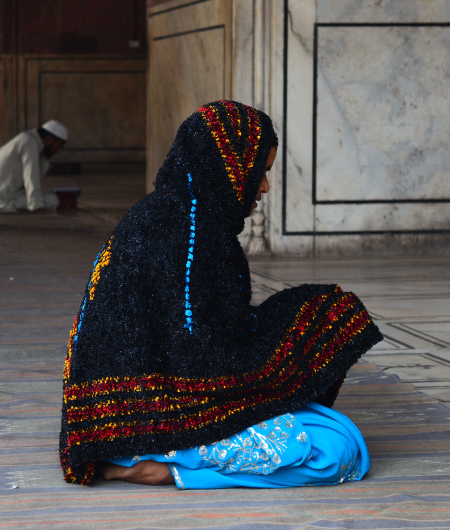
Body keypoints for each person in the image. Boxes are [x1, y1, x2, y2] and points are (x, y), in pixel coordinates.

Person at [59, 100, 383, 489]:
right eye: (260, 171)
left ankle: (154, 460)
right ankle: (163, 468)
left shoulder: (159, 213)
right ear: (229, 167)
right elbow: (201, 358)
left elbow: (195, 334)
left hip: (106, 421)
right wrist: (292, 349)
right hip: (152, 422)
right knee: (338, 449)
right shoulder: (192, 232)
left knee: (326, 360)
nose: (263, 186)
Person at [0, 119, 66, 213]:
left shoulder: (28, 139)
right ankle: (30, 204)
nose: (58, 151)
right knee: (53, 200)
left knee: (49, 199)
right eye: (59, 146)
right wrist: (37, 205)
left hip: (1, 194)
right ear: (49, 139)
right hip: (2, 200)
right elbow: (31, 175)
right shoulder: (30, 142)